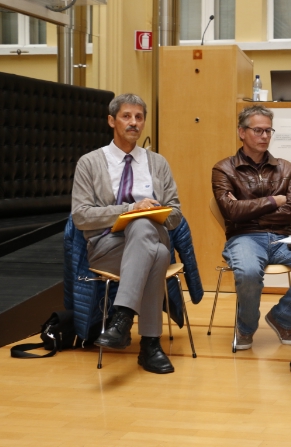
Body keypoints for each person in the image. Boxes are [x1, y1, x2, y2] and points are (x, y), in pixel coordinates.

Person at [72, 93, 182, 374]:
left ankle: (122, 318)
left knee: (143, 227)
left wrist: (154, 212)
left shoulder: (158, 163)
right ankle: (150, 345)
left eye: (139, 117)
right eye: (126, 116)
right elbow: (81, 216)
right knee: (157, 255)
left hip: (153, 233)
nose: (134, 122)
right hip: (106, 245)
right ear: (112, 121)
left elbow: (176, 214)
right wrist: (131, 209)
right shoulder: (90, 163)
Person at [212, 105, 291, 350]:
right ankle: (246, 328)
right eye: (258, 130)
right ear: (242, 132)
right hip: (244, 238)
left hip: (282, 239)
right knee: (248, 272)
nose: (265, 136)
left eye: (268, 130)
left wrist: (248, 212)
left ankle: (281, 317)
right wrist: (273, 201)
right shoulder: (223, 169)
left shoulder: (286, 168)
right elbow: (230, 212)